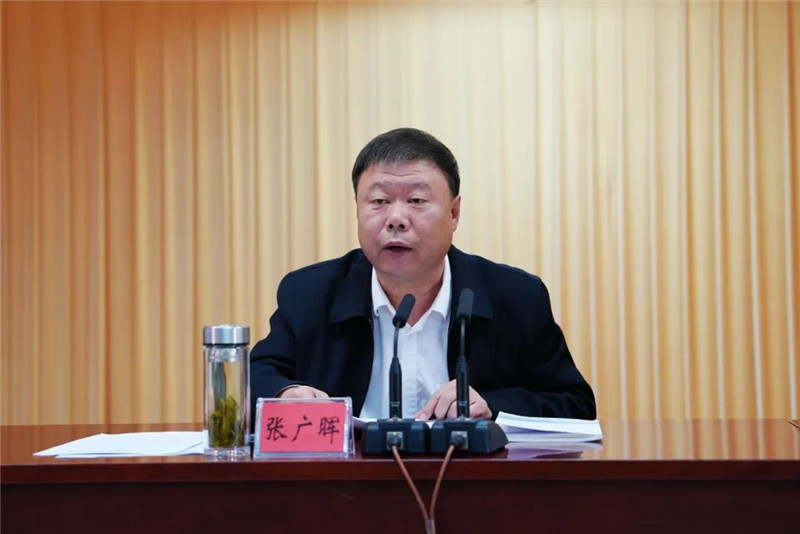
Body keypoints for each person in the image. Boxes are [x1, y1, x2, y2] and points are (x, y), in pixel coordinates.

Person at [250, 128, 596, 422]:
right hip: (349, 477)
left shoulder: (516, 297)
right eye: (379, 201)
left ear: (454, 213)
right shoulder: (309, 293)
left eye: (416, 200)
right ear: (357, 209)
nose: (396, 219)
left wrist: (493, 405)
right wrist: (286, 393)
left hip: (469, 478)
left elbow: (576, 405)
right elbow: (253, 379)